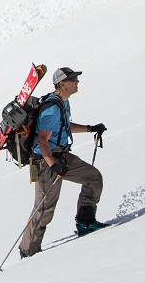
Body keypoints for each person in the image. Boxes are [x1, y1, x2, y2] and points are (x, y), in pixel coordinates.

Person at [18, 67, 108, 258]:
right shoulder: (52, 109)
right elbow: (42, 140)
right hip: (45, 161)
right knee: (44, 207)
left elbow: (65, 127)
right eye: (73, 79)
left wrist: (91, 128)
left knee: (93, 178)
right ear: (62, 84)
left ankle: (86, 222)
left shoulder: (62, 103)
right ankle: (28, 251)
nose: (77, 82)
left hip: (60, 155)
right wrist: (52, 164)